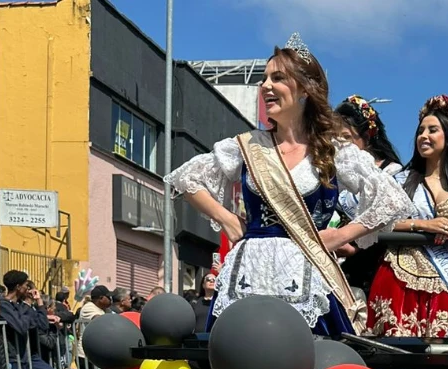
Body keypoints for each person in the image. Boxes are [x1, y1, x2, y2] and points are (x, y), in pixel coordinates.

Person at [164, 33, 412, 336]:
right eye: (265, 78)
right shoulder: (247, 146)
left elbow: (392, 201)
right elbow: (186, 179)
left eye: (278, 78)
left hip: (306, 273)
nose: (265, 85)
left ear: (305, 89)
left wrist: (341, 235)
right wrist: (226, 217)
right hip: (248, 272)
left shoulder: (333, 150)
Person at [367, 95, 448, 338]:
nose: (424, 135)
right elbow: (376, 223)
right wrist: (422, 225)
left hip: (446, 281)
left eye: (432, 130)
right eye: (420, 130)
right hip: (398, 276)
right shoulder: (400, 181)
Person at [332, 95, 405, 293]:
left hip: (374, 266)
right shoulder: (330, 173)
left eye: (346, 137)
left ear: (366, 138)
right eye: (334, 137)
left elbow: (393, 220)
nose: (340, 144)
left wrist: (354, 244)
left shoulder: (391, 174)